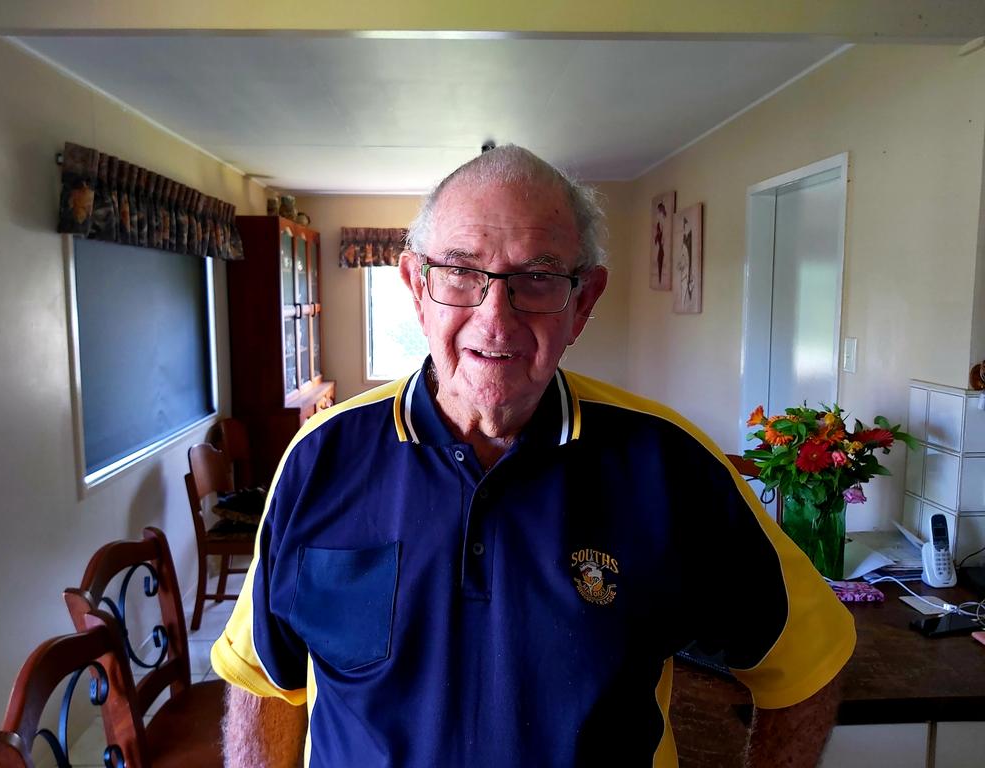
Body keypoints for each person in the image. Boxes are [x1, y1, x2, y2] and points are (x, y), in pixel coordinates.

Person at [212, 145, 855, 768]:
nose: (496, 319)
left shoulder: (669, 465)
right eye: (462, 272)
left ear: (584, 301)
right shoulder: (321, 458)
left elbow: (806, 663)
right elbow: (263, 680)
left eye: (538, 278)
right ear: (416, 285)